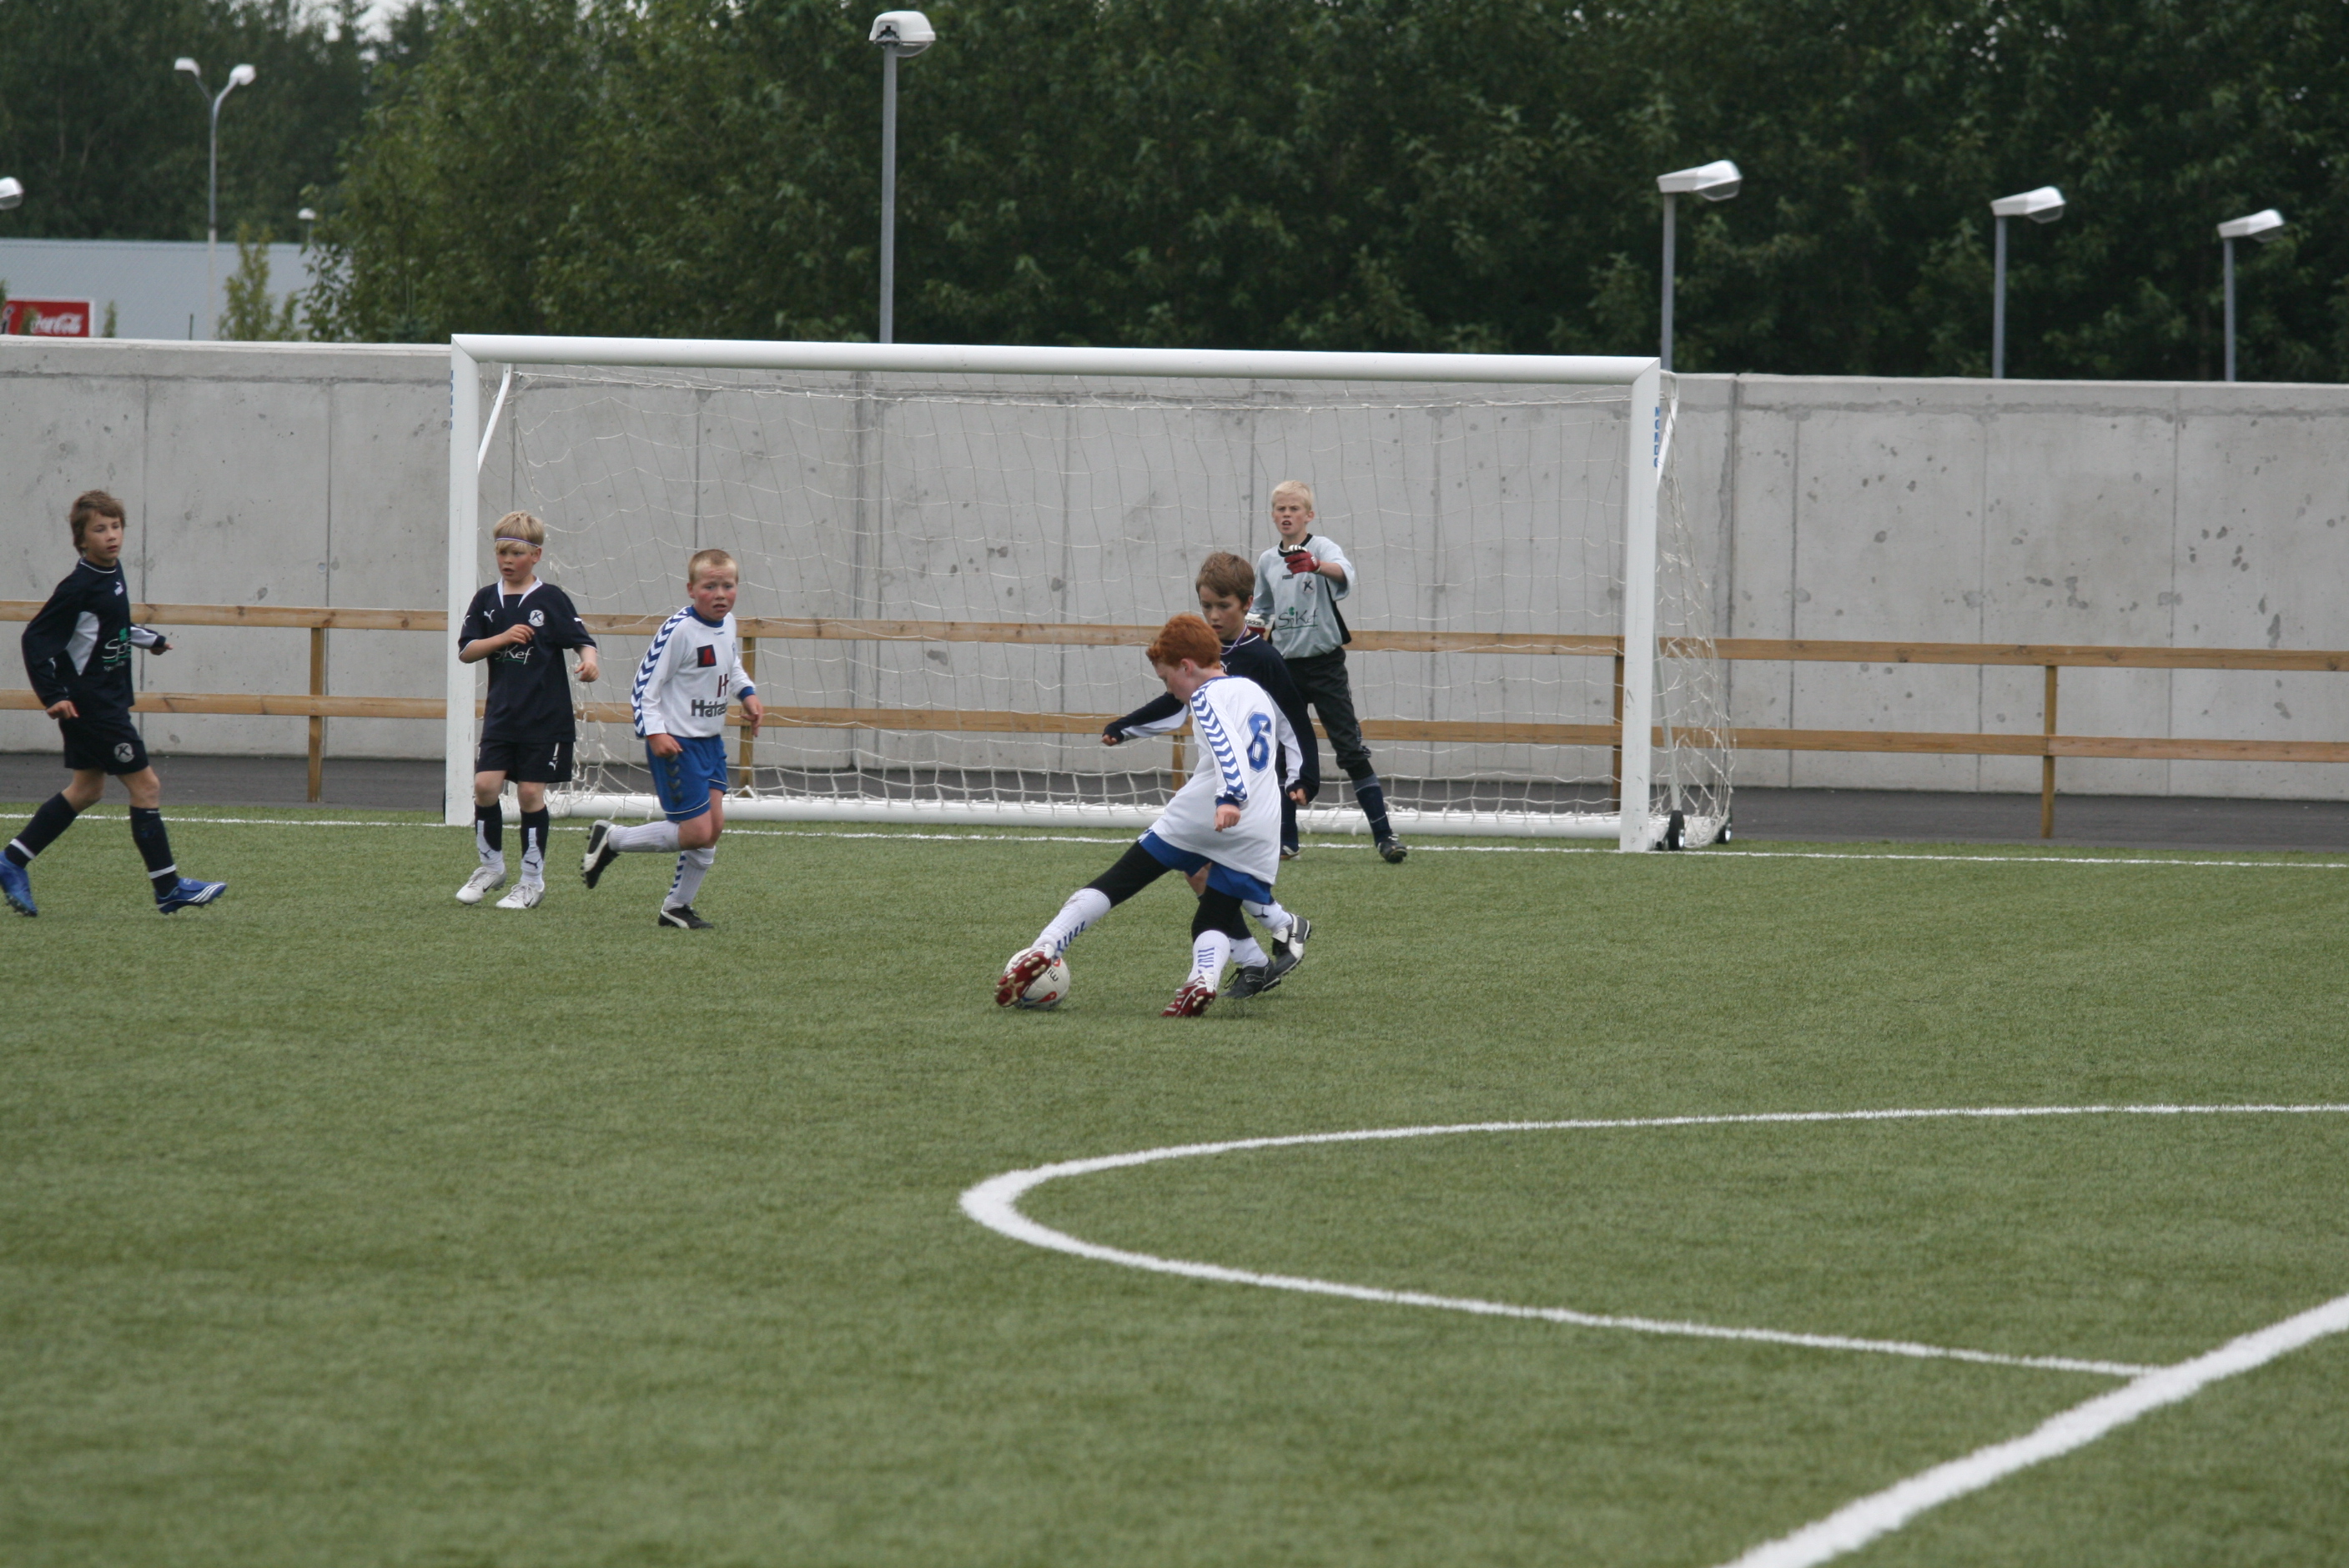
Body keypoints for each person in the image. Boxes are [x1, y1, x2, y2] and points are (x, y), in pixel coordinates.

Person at [998, 614, 1300, 1018]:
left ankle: (1046, 946)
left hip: (1209, 812)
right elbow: (1283, 736)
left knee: (1118, 881)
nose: (1169, 689)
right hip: (1262, 824)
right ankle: (1203, 979)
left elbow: (1226, 744)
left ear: (1186, 667)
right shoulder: (1252, 690)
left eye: (1166, 679)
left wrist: (1229, 797)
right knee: (1213, 916)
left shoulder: (1206, 696)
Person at [1, 490, 226, 917]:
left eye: (116, 526)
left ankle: (11, 861)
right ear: (81, 539)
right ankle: (168, 887)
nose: (111, 536)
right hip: (92, 705)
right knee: (147, 786)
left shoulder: (111, 572)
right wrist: (53, 696)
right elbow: (35, 638)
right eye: (100, 529)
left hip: (103, 700)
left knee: (86, 791)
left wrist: (149, 639)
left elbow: (113, 624)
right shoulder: (79, 585)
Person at [1102, 551, 1315, 997]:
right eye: (1206, 606)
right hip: (1216, 794)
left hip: (1251, 795)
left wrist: (1303, 776)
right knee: (1199, 875)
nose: (1214, 616)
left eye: (1223, 606)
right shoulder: (1202, 654)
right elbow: (1174, 703)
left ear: (1247, 604)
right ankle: (1261, 953)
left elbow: (1292, 718)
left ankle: (1274, 937)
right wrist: (1126, 727)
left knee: (1219, 880)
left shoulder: (1262, 658)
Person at [578, 548, 762, 928]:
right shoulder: (679, 630)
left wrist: (748, 693)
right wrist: (655, 732)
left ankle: (676, 907)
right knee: (696, 831)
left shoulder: (728, 624)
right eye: (710, 586)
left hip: (710, 742)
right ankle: (613, 839)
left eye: (728, 586)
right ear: (691, 589)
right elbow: (644, 687)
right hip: (677, 744)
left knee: (713, 829)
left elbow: (732, 665)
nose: (720, 594)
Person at [1253, 479, 1406, 862]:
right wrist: (1248, 635)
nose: (1287, 515)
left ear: (1309, 515)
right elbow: (1261, 609)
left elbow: (1345, 572)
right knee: (1284, 754)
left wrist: (1318, 566)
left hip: (1325, 666)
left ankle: (1385, 836)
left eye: (1294, 509)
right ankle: (1286, 840)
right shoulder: (1267, 561)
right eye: (1281, 509)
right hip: (1285, 669)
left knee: (1350, 749)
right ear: (1273, 515)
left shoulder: (1322, 549)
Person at [454, 511, 600, 908]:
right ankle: (491, 867)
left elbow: (583, 641)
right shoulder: (486, 599)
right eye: (502, 552)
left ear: (536, 555)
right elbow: (467, 651)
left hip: (545, 718)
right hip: (502, 715)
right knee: (485, 787)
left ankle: (532, 881)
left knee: (531, 794)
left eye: (516, 553)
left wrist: (589, 662)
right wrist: (502, 638)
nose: (507, 560)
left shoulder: (551, 599)